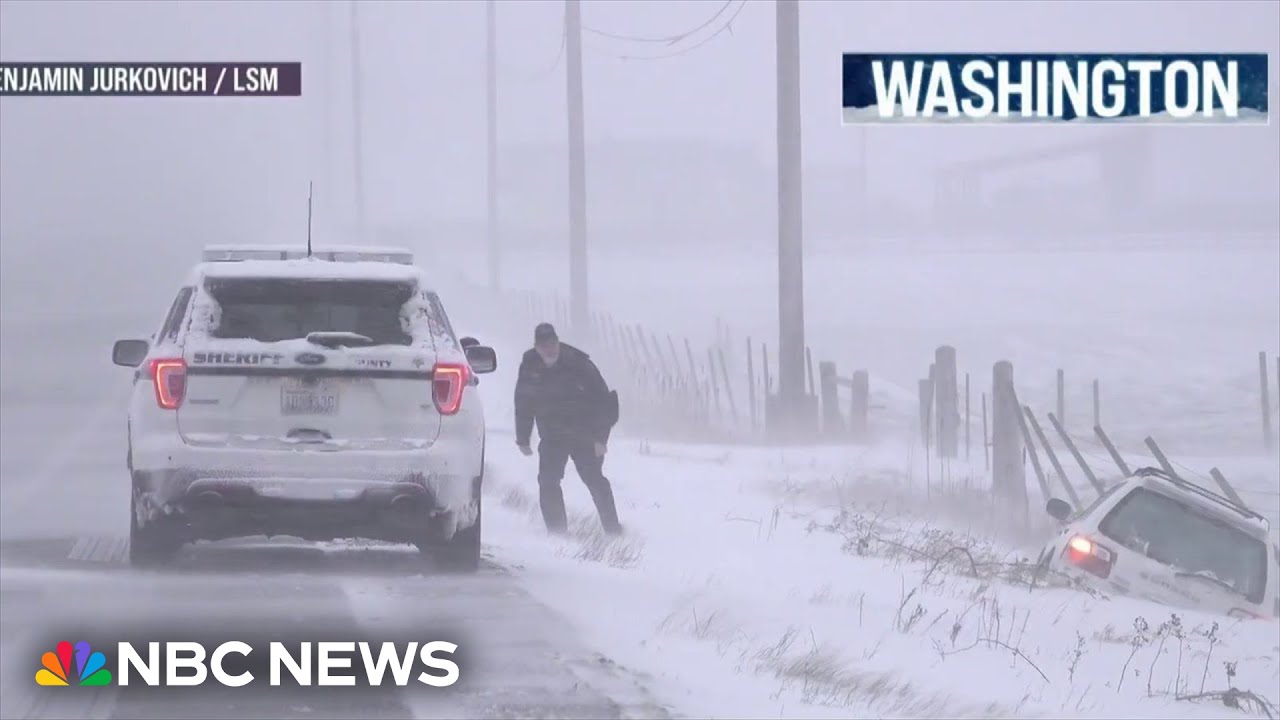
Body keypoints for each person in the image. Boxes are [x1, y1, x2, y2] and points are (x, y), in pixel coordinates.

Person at [514, 322, 622, 536]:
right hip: (552, 434)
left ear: (558, 343)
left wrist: (601, 439)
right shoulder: (530, 364)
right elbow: (523, 402)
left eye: (552, 344)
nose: (549, 350)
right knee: (548, 480)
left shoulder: (579, 363)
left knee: (593, 478)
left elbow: (606, 402)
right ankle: (557, 533)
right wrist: (523, 437)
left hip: (585, 432)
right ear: (536, 347)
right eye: (544, 346)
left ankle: (613, 531)